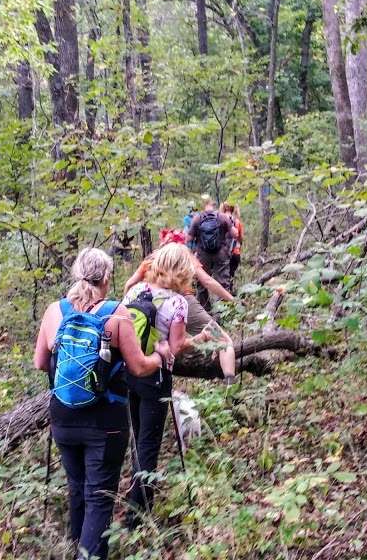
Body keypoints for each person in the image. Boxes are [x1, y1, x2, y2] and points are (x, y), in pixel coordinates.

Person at [33, 248, 170, 560]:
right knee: (98, 496)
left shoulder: (55, 311)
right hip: (105, 423)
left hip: (63, 417)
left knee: (78, 486)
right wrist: (160, 355)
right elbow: (138, 367)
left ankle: (76, 545)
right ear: (107, 278)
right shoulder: (116, 313)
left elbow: (40, 361)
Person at [121, 243, 193, 525]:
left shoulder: (136, 291)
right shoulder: (178, 303)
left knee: (138, 439)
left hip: (130, 370)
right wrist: (195, 341)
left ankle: (138, 499)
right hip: (156, 377)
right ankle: (136, 517)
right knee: (149, 444)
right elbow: (175, 347)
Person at [125, 230, 238, 385]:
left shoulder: (152, 259)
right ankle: (229, 382)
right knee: (223, 340)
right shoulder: (184, 257)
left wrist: (132, 301)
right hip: (183, 303)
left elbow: (129, 284)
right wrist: (232, 299)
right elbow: (208, 281)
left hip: (146, 302)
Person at [187, 198, 237, 309]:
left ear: (202, 205)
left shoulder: (197, 218)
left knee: (201, 282)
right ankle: (223, 310)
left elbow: (188, 238)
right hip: (221, 253)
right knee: (223, 281)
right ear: (213, 205)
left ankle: (205, 309)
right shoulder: (223, 217)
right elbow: (235, 234)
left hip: (202, 255)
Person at [220, 203, 243, 283]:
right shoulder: (237, 222)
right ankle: (230, 291)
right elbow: (240, 238)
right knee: (231, 275)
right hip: (235, 252)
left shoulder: (219, 220)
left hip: (222, 253)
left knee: (222, 276)